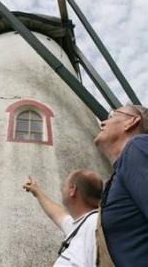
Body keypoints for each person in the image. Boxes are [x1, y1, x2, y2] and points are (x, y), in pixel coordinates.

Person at [94, 104, 148, 267]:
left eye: (111, 116)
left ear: (131, 122)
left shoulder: (137, 146)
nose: (102, 123)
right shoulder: (121, 172)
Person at [23, 168, 103, 267]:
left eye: (64, 186)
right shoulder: (83, 224)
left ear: (73, 190)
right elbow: (59, 215)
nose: (62, 190)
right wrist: (37, 192)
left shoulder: (94, 226)